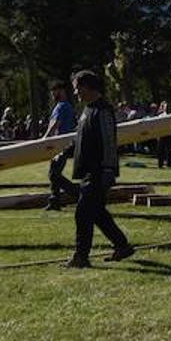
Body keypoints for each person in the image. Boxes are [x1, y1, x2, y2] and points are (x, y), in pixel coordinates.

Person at [63, 70, 134, 269]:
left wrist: (108, 170)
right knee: (97, 213)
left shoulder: (102, 110)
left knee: (83, 213)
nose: (76, 93)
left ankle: (81, 256)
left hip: (99, 171)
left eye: (78, 88)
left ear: (88, 87)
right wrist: (64, 152)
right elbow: (80, 138)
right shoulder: (87, 110)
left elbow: (109, 142)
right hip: (88, 170)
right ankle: (122, 246)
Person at [43, 82, 81, 210]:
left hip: (59, 145)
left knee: (53, 174)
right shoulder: (67, 106)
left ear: (61, 91)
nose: (53, 94)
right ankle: (55, 201)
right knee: (54, 172)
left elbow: (55, 124)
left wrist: (44, 140)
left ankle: (77, 193)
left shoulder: (61, 106)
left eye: (54, 91)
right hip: (62, 144)